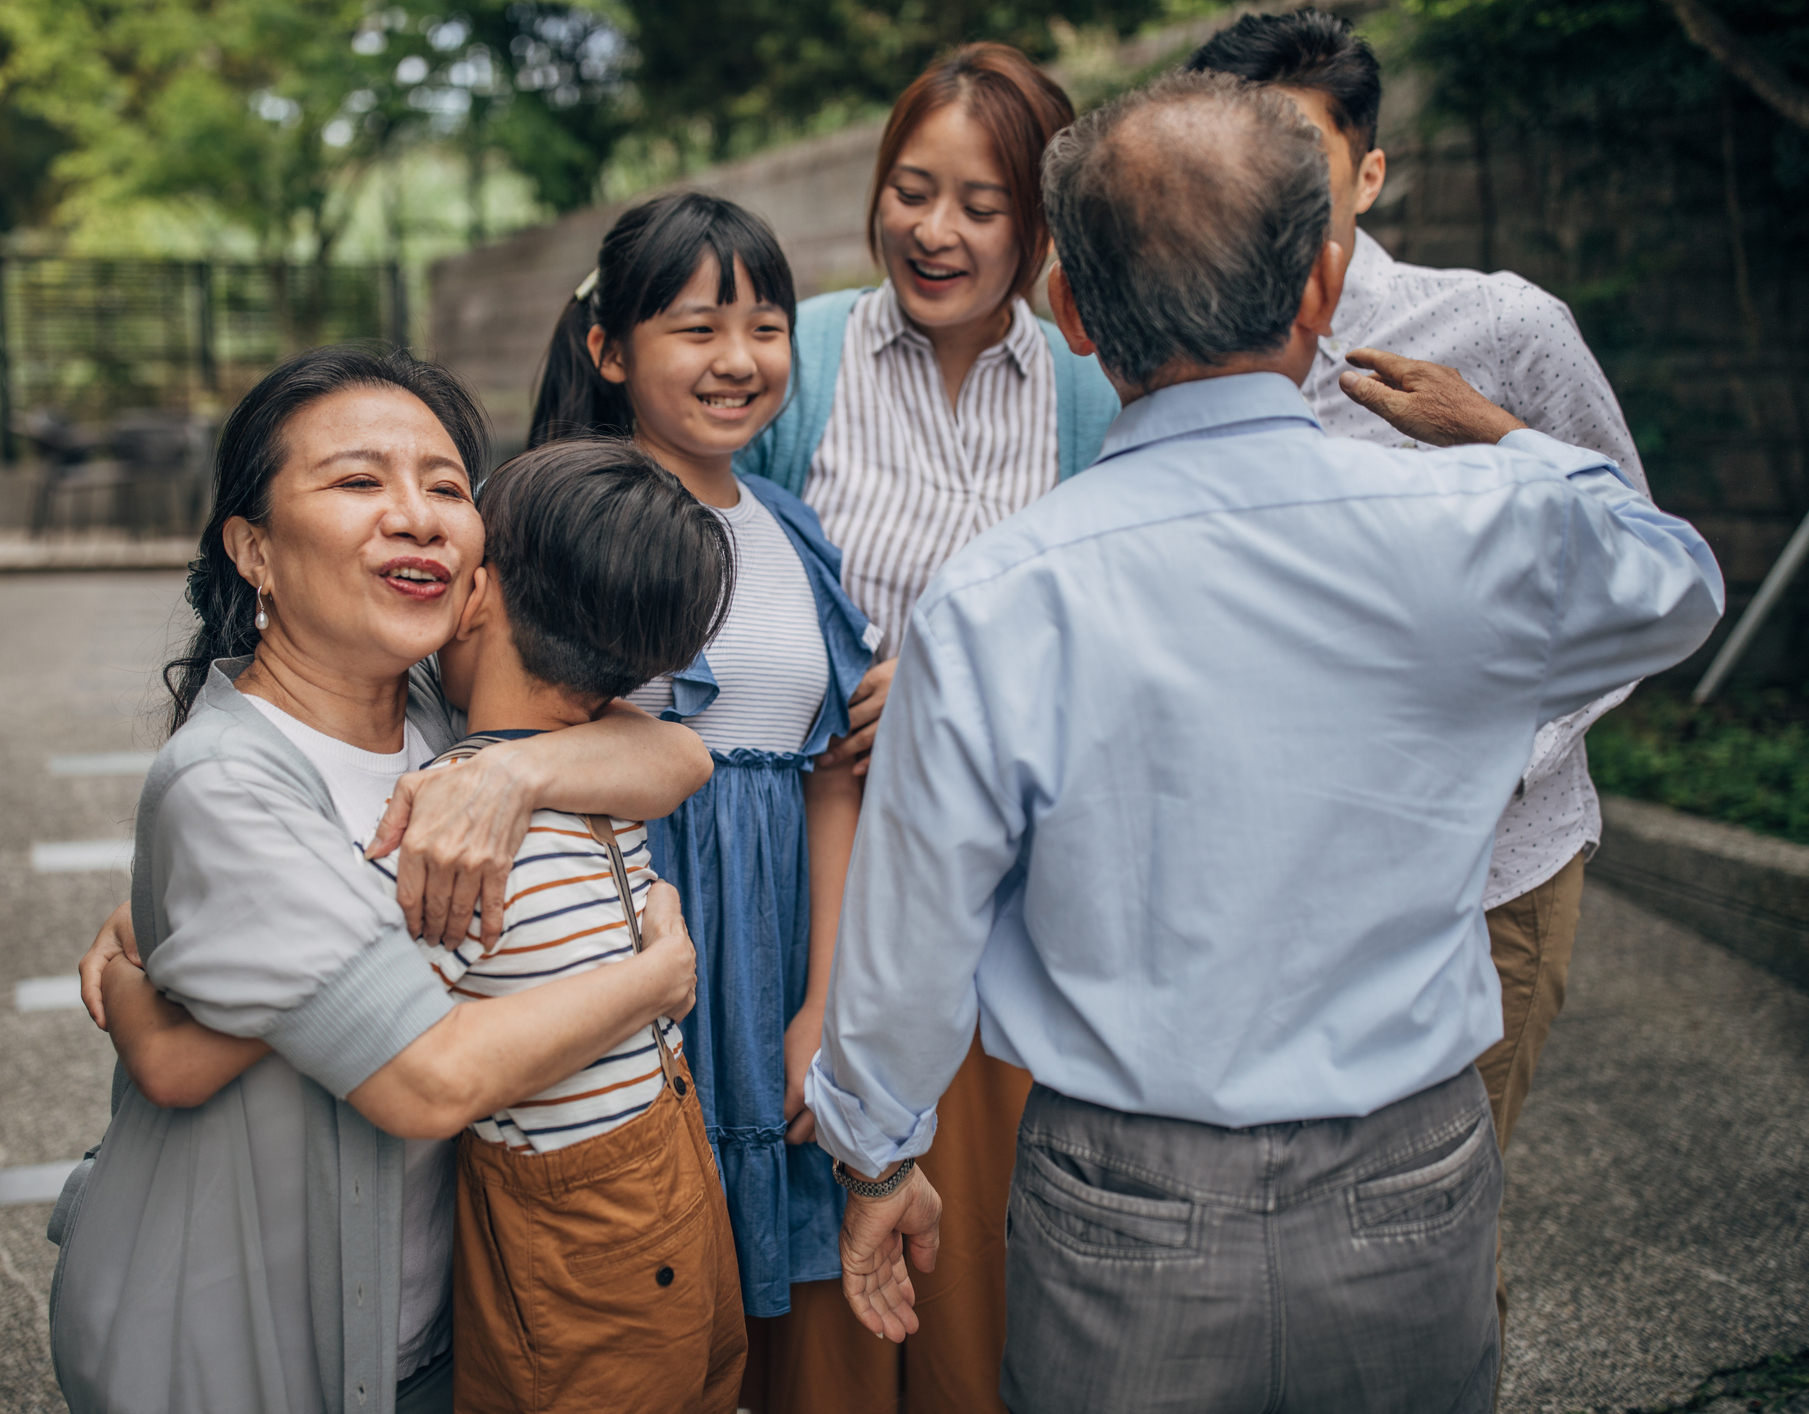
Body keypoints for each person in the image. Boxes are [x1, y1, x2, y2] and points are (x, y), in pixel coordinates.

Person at [807, 71, 1723, 1414]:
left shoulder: (999, 597)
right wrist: (1500, 437)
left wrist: (877, 1160)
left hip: (1121, 1202)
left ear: (1065, 311)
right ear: (1319, 291)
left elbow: (909, 943)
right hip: (1410, 1174)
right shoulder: (1474, 528)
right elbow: (1675, 581)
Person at [50, 346, 713, 1414]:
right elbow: (429, 1079)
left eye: (446, 485)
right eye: (360, 481)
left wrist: (517, 768)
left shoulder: (445, 714)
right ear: (254, 550)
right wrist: (656, 976)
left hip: (433, 1332)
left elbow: (679, 757)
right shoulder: (226, 782)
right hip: (236, 1349)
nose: (416, 515)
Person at [1186, 8, 1654, 1341]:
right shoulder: (1183, 347)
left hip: (1488, 877)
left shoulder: (1500, 328)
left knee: (1434, 1239)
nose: (1267, 196)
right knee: (1291, 1243)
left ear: (1371, 173)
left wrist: (1494, 434)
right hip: (1274, 898)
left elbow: (1631, 565)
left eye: (1302, 159)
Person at [729, 43, 1116, 1413]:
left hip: (1010, 893)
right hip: (814, 879)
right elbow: (732, 580)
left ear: (1040, 224)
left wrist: (971, 688)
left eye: (980, 203)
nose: (934, 232)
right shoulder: (808, 355)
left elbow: (1115, 631)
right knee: (827, 1295)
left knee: (979, 1275)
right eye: (911, 189)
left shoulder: (1085, 386)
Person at [528, 191, 882, 1409]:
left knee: (773, 1319)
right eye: (697, 328)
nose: (740, 360)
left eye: (767, 326)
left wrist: (824, 1005)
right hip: (628, 954)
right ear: (609, 350)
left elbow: (833, 777)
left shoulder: (790, 527)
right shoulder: (563, 520)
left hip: (776, 958)